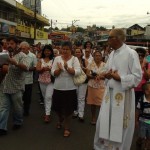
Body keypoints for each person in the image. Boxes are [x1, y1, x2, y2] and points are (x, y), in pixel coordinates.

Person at [94, 28, 142, 150]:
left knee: (119, 124)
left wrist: (119, 77)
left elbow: (137, 77)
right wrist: (103, 74)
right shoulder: (112, 53)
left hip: (122, 95)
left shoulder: (131, 53)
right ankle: (105, 146)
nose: (108, 40)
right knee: (104, 121)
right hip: (109, 94)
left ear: (118, 38)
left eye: (110, 37)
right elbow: (108, 70)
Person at [0, 37, 29, 135]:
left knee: (18, 107)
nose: (9, 45)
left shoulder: (22, 56)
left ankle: (18, 121)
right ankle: (2, 128)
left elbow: (26, 68)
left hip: (16, 86)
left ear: (17, 44)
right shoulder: (3, 54)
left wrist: (15, 63)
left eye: (11, 43)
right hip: (4, 85)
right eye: (7, 43)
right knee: (3, 107)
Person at [51, 41, 81, 137]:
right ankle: (60, 118)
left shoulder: (74, 59)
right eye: (63, 49)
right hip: (58, 87)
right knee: (57, 108)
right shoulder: (57, 58)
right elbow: (53, 73)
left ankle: (67, 127)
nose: (64, 51)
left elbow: (78, 72)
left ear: (70, 49)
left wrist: (67, 68)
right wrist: (59, 69)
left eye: (67, 49)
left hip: (70, 88)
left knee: (69, 109)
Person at [86, 51, 106, 125]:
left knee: (102, 104)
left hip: (102, 86)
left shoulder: (105, 65)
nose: (97, 57)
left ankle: (101, 118)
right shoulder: (90, 64)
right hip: (92, 86)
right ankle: (93, 117)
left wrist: (100, 77)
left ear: (101, 56)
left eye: (99, 55)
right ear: (93, 57)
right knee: (93, 103)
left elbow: (107, 76)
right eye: (96, 55)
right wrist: (94, 76)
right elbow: (87, 75)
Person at [36, 45, 54, 123]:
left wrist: (50, 70)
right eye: (45, 50)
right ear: (43, 51)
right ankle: (47, 110)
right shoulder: (40, 60)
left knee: (48, 97)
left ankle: (47, 114)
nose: (47, 52)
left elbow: (56, 71)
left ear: (51, 52)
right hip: (42, 81)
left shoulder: (54, 60)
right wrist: (43, 69)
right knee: (44, 97)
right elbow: (37, 69)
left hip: (51, 81)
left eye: (48, 51)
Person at [21, 41, 37, 116]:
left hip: (28, 80)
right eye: (21, 48)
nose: (22, 50)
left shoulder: (33, 56)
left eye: (23, 49)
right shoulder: (18, 55)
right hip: (19, 79)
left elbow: (35, 67)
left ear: (28, 48)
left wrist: (27, 69)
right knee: (19, 97)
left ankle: (26, 110)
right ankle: (19, 110)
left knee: (27, 97)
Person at [73, 48, 88, 122]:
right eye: (76, 52)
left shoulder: (84, 61)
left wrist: (83, 68)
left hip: (83, 81)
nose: (78, 53)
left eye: (79, 52)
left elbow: (88, 71)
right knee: (74, 96)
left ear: (82, 53)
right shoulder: (72, 60)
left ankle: (81, 114)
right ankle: (75, 112)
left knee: (81, 98)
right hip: (74, 80)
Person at [136, 82, 150, 150]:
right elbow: (138, 111)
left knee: (149, 137)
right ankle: (139, 141)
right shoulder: (141, 99)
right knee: (142, 136)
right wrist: (136, 121)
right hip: (143, 121)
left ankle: (146, 148)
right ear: (147, 91)